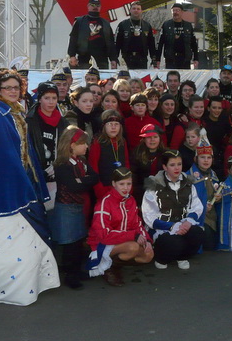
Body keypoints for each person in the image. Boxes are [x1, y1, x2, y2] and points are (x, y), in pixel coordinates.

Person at [0, 69, 59, 305]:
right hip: (6, 187)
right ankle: (10, 287)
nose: (13, 91)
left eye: (16, 87)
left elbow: (24, 152)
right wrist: (24, 185)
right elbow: (1, 157)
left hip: (21, 179)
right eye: (8, 88)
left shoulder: (14, 113)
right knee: (13, 243)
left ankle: (32, 282)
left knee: (28, 240)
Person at [49, 126, 99, 289]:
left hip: (77, 206)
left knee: (77, 240)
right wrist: (83, 181)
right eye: (83, 143)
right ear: (72, 144)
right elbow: (73, 186)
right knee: (69, 243)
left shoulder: (81, 161)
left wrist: (81, 181)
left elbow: (95, 178)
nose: (86, 146)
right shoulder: (62, 164)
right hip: (65, 208)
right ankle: (70, 275)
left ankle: (76, 271)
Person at [86, 168, 154, 286]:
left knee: (148, 255)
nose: (126, 188)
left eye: (129, 184)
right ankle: (107, 269)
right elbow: (104, 236)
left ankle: (116, 264)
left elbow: (137, 224)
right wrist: (133, 236)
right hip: (101, 243)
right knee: (133, 247)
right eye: (121, 184)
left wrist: (146, 240)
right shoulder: (105, 202)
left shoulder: (131, 200)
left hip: (122, 240)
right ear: (113, 184)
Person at [142, 149, 205, 269]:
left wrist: (188, 221)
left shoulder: (188, 183)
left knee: (198, 234)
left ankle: (181, 257)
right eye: (172, 165)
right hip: (162, 228)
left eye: (179, 164)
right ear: (165, 167)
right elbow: (149, 216)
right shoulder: (154, 185)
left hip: (182, 224)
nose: (177, 168)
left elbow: (196, 206)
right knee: (174, 242)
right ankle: (162, 258)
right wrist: (171, 226)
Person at [25, 81, 69, 208]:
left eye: (54, 98)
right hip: (37, 177)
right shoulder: (30, 121)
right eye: (47, 98)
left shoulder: (63, 122)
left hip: (58, 176)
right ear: (39, 99)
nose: (51, 102)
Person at [187, 134, 221, 250]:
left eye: (209, 157)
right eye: (202, 157)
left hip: (212, 216)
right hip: (196, 216)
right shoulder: (189, 176)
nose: (206, 160)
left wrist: (218, 198)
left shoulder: (214, 176)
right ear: (196, 159)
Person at [88, 110, 130, 200]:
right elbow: (93, 167)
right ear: (104, 126)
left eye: (116, 124)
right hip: (104, 188)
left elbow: (126, 163)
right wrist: (99, 189)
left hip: (121, 188)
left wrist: (128, 184)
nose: (113, 127)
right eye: (110, 124)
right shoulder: (97, 142)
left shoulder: (122, 142)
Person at [68, 0, 117, 69]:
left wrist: (113, 59)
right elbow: (73, 39)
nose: (95, 7)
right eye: (93, 5)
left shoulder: (106, 23)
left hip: (102, 59)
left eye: (97, 5)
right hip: (84, 58)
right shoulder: (79, 21)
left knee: (103, 79)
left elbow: (111, 43)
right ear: (88, 6)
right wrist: (72, 56)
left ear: (100, 7)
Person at [115, 1, 156, 69]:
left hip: (142, 59)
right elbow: (117, 43)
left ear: (141, 11)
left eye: (138, 9)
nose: (136, 10)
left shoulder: (147, 25)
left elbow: (151, 44)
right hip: (126, 59)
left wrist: (154, 58)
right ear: (130, 10)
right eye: (134, 8)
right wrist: (115, 58)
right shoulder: (123, 25)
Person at [131, 124, 166, 203]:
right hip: (141, 194)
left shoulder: (166, 154)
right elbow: (134, 178)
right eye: (149, 137)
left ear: (160, 139)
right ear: (144, 139)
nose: (152, 140)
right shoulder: (136, 154)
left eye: (155, 137)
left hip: (162, 193)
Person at [156, 3, 198, 69]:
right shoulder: (166, 25)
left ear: (182, 12)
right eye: (173, 10)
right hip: (170, 59)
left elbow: (193, 43)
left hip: (185, 60)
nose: (175, 12)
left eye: (177, 10)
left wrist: (196, 58)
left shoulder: (188, 25)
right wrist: (157, 59)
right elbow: (160, 43)